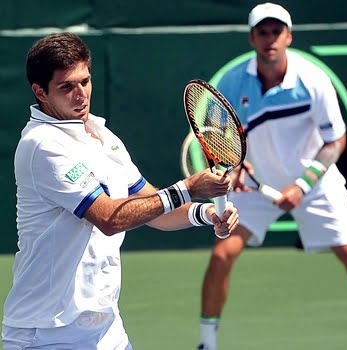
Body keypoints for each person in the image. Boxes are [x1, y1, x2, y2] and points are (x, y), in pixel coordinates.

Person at [1, 32, 239, 350]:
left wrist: (206, 212)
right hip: (46, 333)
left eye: (84, 81)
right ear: (40, 92)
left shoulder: (102, 136)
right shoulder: (43, 145)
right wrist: (188, 188)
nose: (80, 94)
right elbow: (109, 219)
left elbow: (152, 208)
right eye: (67, 87)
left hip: (105, 328)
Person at [196, 3, 347, 350]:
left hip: (313, 182)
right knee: (222, 256)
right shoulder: (233, 84)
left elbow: (335, 140)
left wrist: (302, 185)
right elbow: (224, 142)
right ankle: (207, 343)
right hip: (257, 184)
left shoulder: (312, 81)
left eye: (276, 32)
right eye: (262, 33)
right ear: (252, 38)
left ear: (289, 37)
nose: (270, 40)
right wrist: (235, 168)